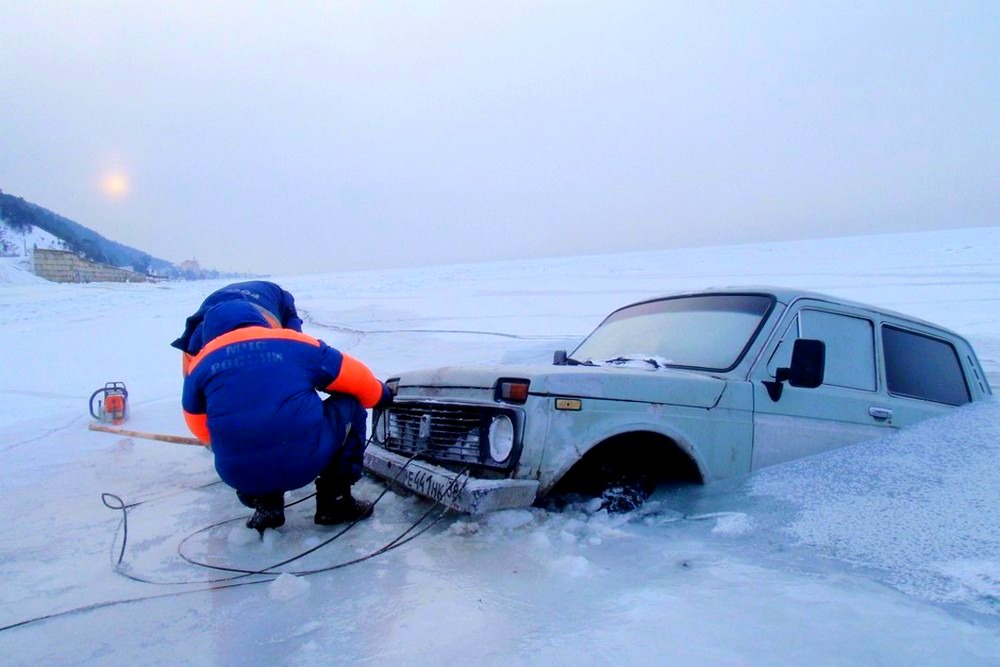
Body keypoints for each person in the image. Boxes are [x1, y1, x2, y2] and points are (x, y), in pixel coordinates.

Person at [181, 299, 392, 532]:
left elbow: (201, 428)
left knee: (248, 431)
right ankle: (335, 501)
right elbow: (356, 378)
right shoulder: (292, 343)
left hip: (241, 477)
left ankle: (266, 504)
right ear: (258, 320)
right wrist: (382, 395)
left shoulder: (199, 366)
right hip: (305, 463)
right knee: (349, 404)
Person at [171, 280, 304, 374]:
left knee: (292, 353)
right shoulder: (194, 346)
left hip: (271, 297)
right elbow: (191, 381)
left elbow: (296, 348)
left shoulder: (269, 330)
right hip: (220, 300)